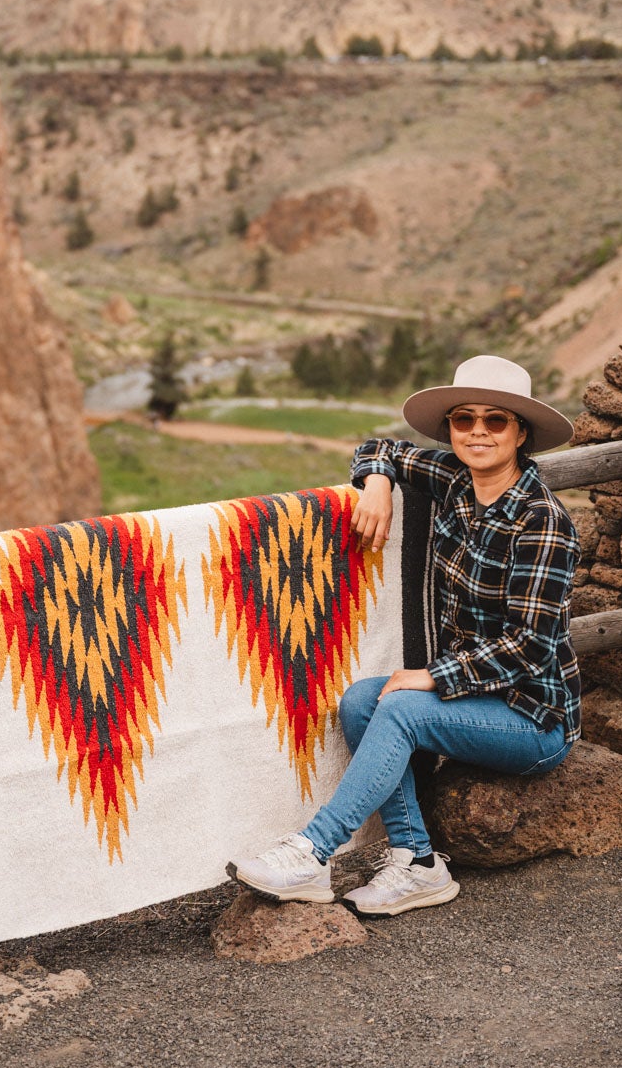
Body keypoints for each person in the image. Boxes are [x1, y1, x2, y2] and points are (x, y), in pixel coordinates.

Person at [235, 355, 578, 916]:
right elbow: (381, 447)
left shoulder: (543, 523)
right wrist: (376, 483)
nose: (478, 432)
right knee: (360, 701)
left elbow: (530, 646)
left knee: (401, 705)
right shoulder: (454, 481)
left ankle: (313, 852)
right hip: (473, 697)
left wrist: (431, 676)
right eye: (464, 419)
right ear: (450, 430)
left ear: (522, 434)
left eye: (496, 421)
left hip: (533, 718)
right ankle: (418, 863)